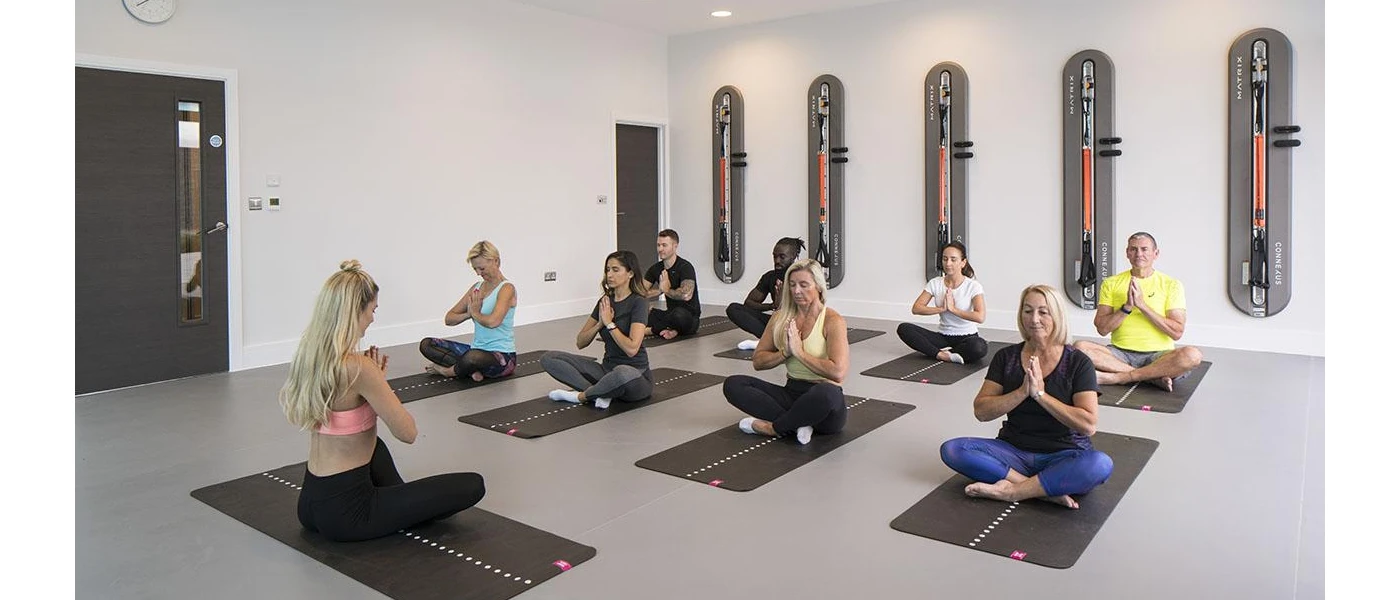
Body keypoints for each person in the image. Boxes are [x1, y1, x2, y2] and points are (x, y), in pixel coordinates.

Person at [280, 260, 485, 542]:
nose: (373, 318)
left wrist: (371, 387)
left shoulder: (311, 357)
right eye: (372, 310)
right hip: (349, 515)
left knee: (376, 446)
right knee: (473, 484)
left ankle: (400, 501)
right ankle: (402, 506)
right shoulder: (359, 368)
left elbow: (345, 412)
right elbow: (408, 433)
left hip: (311, 504)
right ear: (356, 310)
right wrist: (378, 383)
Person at [939, 284, 1113, 509]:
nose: (1034, 319)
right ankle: (1041, 490)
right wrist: (1022, 392)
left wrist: (1040, 395)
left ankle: (1012, 491)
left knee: (1099, 465)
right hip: (1014, 453)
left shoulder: (1078, 362)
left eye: (1043, 312)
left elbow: (1088, 425)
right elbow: (981, 411)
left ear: (1057, 315)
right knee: (953, 449)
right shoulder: (1006, 357)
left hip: (1063, 455)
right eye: (1028, 311)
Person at [722, 258, 850, 445]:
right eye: (792, 285)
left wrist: (800, 353)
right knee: (733, 384)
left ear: (819, 287)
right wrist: (785, 353)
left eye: (804, 285)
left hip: (824, 405)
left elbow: (838, 373)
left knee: (827, 393)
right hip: (792, 393)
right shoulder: (780, 318)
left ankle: (774, 428)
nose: (797, 291)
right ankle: (798, 422)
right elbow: (758, 361)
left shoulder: (832, 320)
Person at [1071, 232, 1203, 391]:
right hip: (1120, 355)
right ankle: (1152, 377)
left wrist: (1142, 306)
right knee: (1079, 347)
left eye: (1144, 249)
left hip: (1159, 356)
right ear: (1127, 253)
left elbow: (1177, 332)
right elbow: (1102, 329)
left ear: (1156, 254)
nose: (1139, 254)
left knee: (1192, 356)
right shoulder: (1111, 283)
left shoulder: (1172, 285)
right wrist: (1127, 307)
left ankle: (1120, 377)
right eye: (1133, 249)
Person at [542, 250, 654, 410]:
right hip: (606, 370)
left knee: (622, 372)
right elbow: (580, 342)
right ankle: (601, 393)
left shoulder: (639, 302)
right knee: (549, 358)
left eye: (616, 270)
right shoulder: (605, 301)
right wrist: (600, 324)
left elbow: (632, 349)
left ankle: (582, 396)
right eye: (608, 270)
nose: (609, 274)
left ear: (630, 273)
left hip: (635, 375)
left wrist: (610, 324)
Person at [419, 241, 518, 382]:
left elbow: (493, 322)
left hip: (502, 356)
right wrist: (469, 313)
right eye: (475, 269)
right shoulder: (476, 288)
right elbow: (449, 319)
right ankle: (471, 370)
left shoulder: (507, 288)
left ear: (495, 261)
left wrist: (476, 313)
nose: (478, 273)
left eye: (482, 268)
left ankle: (448, 371)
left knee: (472, 357)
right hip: (475, 349)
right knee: (427, 344)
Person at [895, 241, 989, 364]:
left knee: (979, 347)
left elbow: (980, 317)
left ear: (963, 263)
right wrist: (941, 309)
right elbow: (916, 308)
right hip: (943, 337)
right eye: (945, 259)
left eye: (953, 259)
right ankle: (941, 355)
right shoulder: (935, 283)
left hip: (967, 337)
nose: (948, 263)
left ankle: (946, 351)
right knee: (904, 328)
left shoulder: (973, 286)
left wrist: (953, 309)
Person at [726, 237, 804, 348]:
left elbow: (805, 312)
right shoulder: (770, 277)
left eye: (782, 257)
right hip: (777, 322)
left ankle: (777, 341)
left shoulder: (801, 277)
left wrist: (783, 305)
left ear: (793, 257)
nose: (777, 261)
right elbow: (749, 303)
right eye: (775, 256)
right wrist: (772, 305)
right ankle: (770, 341)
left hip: (797, 325)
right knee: (734, 309)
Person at [642, 229, 701, 340]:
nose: (660, 249)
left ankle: (651, 330)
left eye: (664, 245)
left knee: (678, 315)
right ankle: (672, 329)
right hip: (669, 315)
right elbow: (640, 291)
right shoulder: (655, 269)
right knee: (643, 312)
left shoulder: (685, 267)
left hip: (688, 318)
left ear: (675, 246)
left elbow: (686, 295)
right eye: (658, 245)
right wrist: (659, 291)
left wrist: (667, 290)